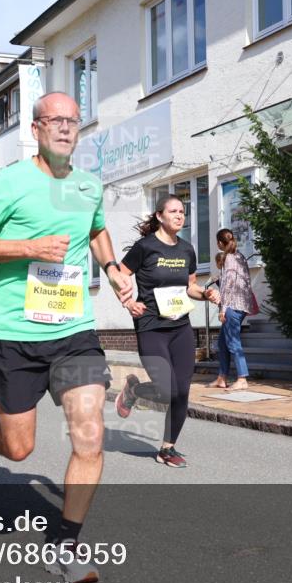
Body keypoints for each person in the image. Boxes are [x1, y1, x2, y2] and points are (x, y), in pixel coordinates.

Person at [0, 91, 132, 583]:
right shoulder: (8, 182)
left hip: (74, 329)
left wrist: (115, 271)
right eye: (54, 120)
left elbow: (96, 231)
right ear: (35, 129)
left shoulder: (88, 186)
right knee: (20, 449)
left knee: (90, 431)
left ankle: (65, 545)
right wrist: (28, 247)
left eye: (73, 121)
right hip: (16, 331)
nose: (64, 127)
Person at [114, 197, 220, 469]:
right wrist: (128, 302)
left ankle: (167, 448)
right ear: (159, 216)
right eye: (173, 211)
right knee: (167, 388)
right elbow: (120, 276)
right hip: (151, 326)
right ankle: (134, 390)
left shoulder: (187, 249)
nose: (179, 216)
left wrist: (206, 294)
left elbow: (190, 287)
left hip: (180, 326)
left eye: (183, 212)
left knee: (182, 392)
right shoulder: (145, 247)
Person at [207, 228, 258, 390]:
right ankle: (222, 378)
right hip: (241, 305)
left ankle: (242, 379)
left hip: (232, 306)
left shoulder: (229, 258)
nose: (217, 244)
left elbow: (228, 287)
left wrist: (223, 309)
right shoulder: (239, 256)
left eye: (217, 242)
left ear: (221, 243)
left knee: (233, 342)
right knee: (223, 342)